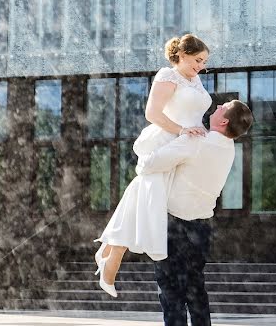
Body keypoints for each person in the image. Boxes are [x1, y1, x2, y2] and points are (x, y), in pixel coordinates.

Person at [94, 34, 212, 297]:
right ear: (181, 55)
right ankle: (109, 257)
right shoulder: (167, 76)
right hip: (167, 141)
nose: (201, 66)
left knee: (142, 199)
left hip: (182, 146)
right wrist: (182, 130)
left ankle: (109, 254)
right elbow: (152, 113)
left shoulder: (195, 78)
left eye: (204, 62)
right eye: (197, 60)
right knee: (146, 202)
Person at [143, 98, 254, 326]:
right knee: (196, 292)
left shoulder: (196, 142)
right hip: (201, 229)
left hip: (175, 227)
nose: (217, 107)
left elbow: (149, 164)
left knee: (172, 293)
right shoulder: (228, 149)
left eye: (222, 107)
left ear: (223, 121)